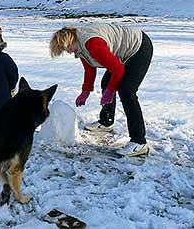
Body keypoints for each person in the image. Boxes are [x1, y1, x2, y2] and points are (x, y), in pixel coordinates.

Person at [49, 23, 153, 157]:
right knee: (106, 82)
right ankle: (106, 122)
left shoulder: (92, 44)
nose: (69, 52)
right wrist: (85, 91)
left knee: (127, 91)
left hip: (138, 47)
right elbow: (89, 68)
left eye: (67, 48)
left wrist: (110, 91)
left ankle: (139, 142)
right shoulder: (80, 44)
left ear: (70, 40)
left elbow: (118, 69)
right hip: (124, 50)